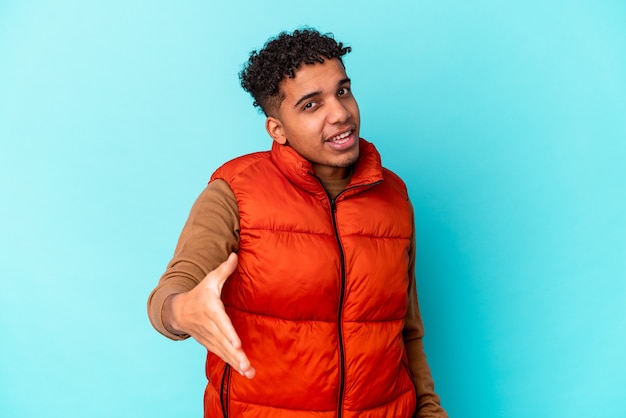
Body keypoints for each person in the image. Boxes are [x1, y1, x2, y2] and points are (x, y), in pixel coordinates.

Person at [148, 28, 447, 418]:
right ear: (278, 129)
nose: (340, 113)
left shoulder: (393, 196)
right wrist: (181, 310)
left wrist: (429, 409)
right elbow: (171, 292)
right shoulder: (234, 193)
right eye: (311, 105)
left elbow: (405, 331)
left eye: (343, 91)